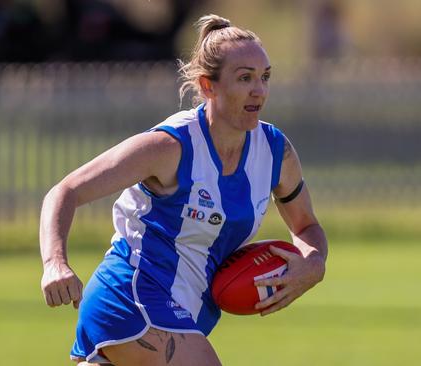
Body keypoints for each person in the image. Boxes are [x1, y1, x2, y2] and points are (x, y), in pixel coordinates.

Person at [40, 14, 328, 366]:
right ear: (208, 86)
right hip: (131, 297)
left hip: (186, 315)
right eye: (245, 78)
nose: (259, 90)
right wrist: (55, 263)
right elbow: (65, 191)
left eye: (265, 77)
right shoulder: (169, 147)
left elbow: (307, 227)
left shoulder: (275, 152)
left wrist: (313, 264)